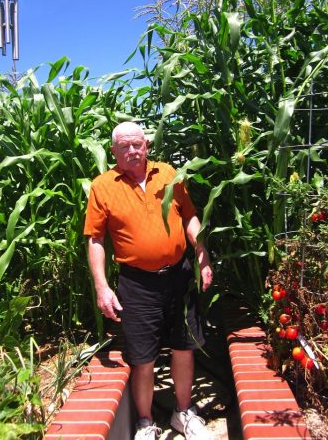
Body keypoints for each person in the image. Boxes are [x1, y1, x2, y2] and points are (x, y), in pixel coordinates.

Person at [84, 121, 213, 440]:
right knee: (143, 357)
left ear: (147, 146)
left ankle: (183, 414)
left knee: (185, 347)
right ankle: (144, 422)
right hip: (137, 284)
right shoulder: (103, 186)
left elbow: (189, 216)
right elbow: (95, 239)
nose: (132, 150)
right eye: (124, 146)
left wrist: (202, 254)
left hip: (180, 277)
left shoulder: (168, 174)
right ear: (113, 150)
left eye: (137, 144)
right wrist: (102, 285)